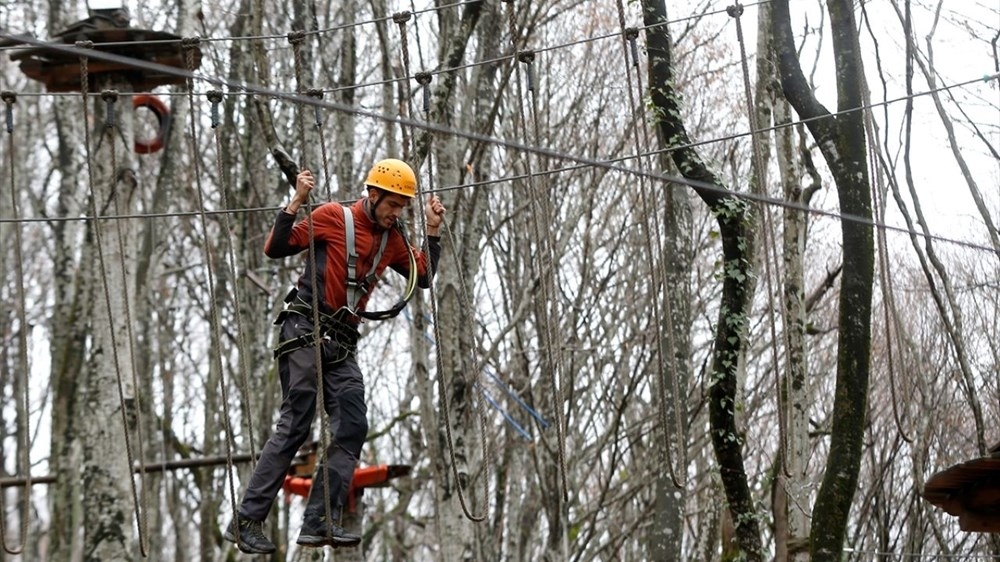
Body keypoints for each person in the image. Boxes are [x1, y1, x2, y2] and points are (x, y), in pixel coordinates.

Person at [224, 158, 445, 554]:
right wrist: (296, 202)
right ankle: (246, 520)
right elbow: (275, 248)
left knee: (353, 424)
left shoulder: (393, 240)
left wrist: (431, 230)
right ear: (373, 195)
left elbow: (422, 277)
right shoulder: (332, 217)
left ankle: (321, 518)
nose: (397, 213)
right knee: (298, 420)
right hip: (305, 326)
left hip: (341, 341)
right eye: (392, 204)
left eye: (402, 207)